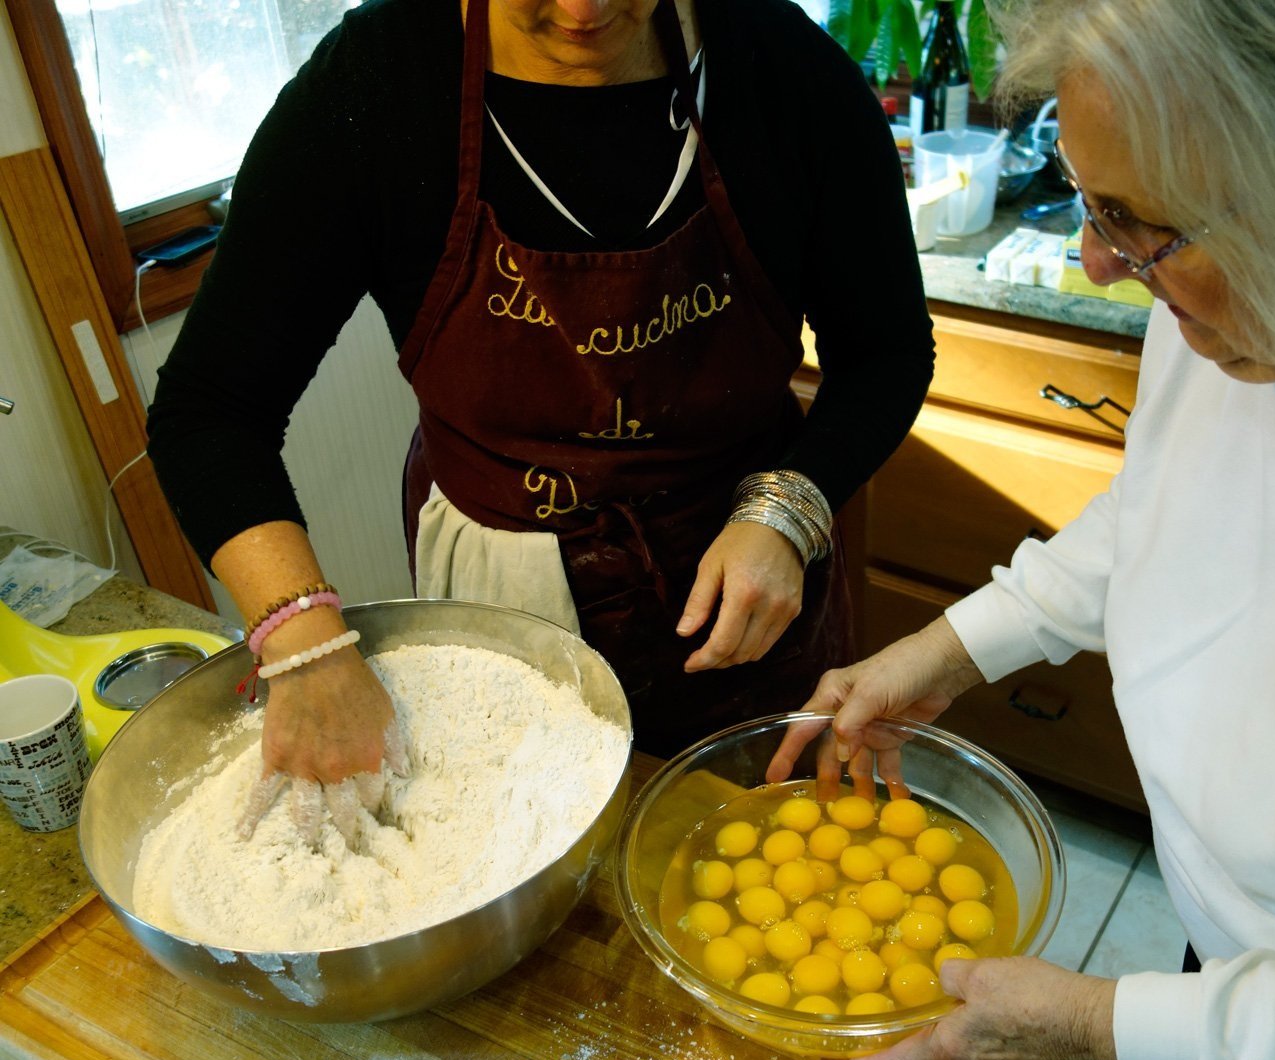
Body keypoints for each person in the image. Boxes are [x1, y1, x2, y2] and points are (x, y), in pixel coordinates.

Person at [768, 0, 1275, 1060]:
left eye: (1131, 221)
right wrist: (954, 648)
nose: (1095, 261)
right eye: (1090, 199)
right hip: (1224, 970)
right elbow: (1164, 508)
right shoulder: (1234, 299)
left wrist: (1098, 1022)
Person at [145, 0, 935, 839]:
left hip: (748, 604)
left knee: (757, 865)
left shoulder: (784, 75)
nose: (581, 9)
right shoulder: (376, 87)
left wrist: (789, 510)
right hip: (502, 605)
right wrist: (301, 643)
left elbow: (886, 352)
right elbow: (210, 411)